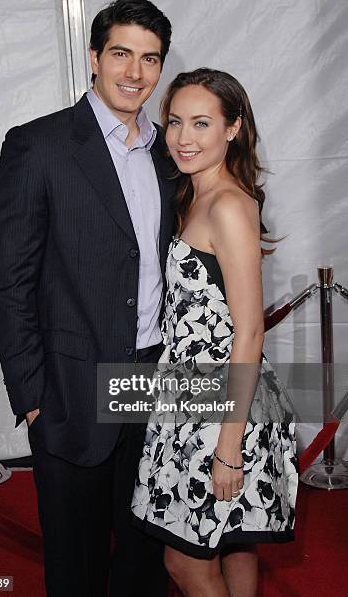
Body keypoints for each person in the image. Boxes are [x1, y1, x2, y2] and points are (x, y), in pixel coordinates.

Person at [0, 0, 175, 597]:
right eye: (121, 53)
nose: (135, 73)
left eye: (150, 59)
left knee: (145, 551)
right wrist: (32, 395)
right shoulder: (37, 146)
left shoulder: (172, 153)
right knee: (76, 561)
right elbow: (9, 280)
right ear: (94, 57)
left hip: (154, 378)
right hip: (69, 390)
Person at [132, 68, 298, 596]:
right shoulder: (194, 195)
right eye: (176, 121)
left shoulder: (227, 205)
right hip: (189, 392)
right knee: (233, 541)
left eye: (202, 123)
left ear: (233, 128)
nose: (184, 137)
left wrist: (229, 446)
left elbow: (250, 332)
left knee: (185, 565)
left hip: (223, 405)